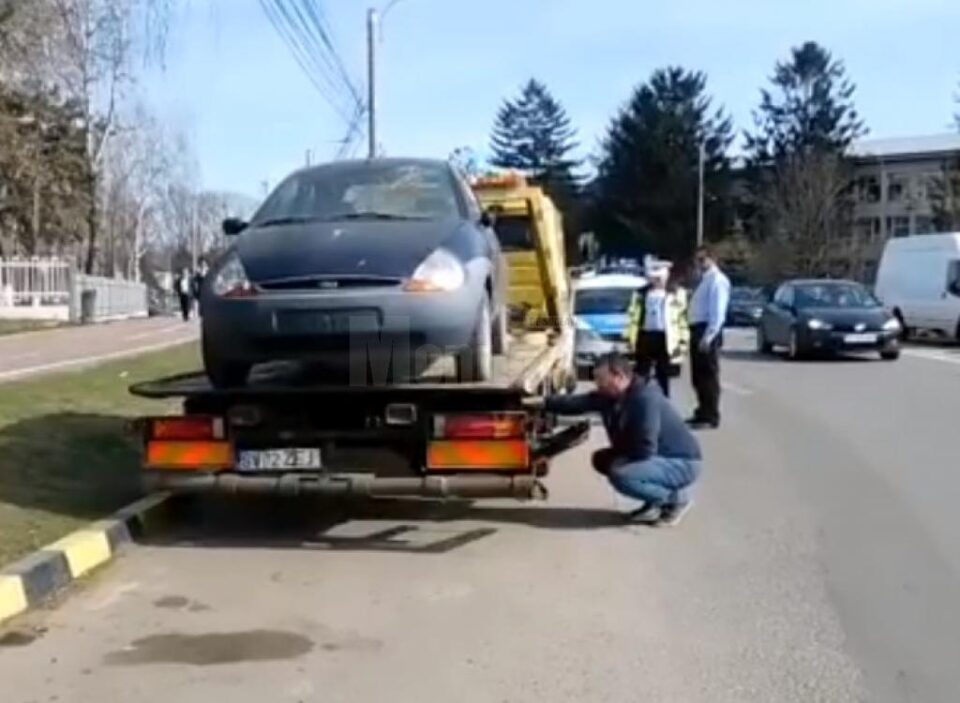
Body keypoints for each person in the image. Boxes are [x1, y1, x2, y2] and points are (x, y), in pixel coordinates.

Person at [538, 353, 703, 526]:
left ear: (619, 376)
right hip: (656, 456)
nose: (597, 385)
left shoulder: (644, 398)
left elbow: (645, 448)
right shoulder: (611, 395)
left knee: (621, 473)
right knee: (602, 459)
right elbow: (578, 403)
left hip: (682, 462)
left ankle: (675, 500)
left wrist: (621, 459)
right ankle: (653, 503)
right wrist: (544, 403)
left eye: (601, 379)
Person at [626, 264, 689, 397]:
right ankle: (638, 399)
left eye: (659, 278)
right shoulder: (641, 294)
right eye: (654, 278)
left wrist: (683, 340)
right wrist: (630, 337)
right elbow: (633, 317)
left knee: (663, 373)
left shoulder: (677, 293)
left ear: (666, 277)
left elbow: (682, 319)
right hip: (645, 336)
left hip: (666, 337)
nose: (657, 281)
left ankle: (663, 400)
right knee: (641, 373)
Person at [687, 245, 731, 429]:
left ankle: (711, 416)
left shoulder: (717, 280)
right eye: (697, 260)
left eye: (702, 259)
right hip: (697, 329)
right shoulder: (704, 279)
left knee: (708, 376)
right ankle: (702, 411)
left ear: (712, 259)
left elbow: (717, 313)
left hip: (706, 330)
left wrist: (708, 336)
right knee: (698, 376)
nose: (699, 263)